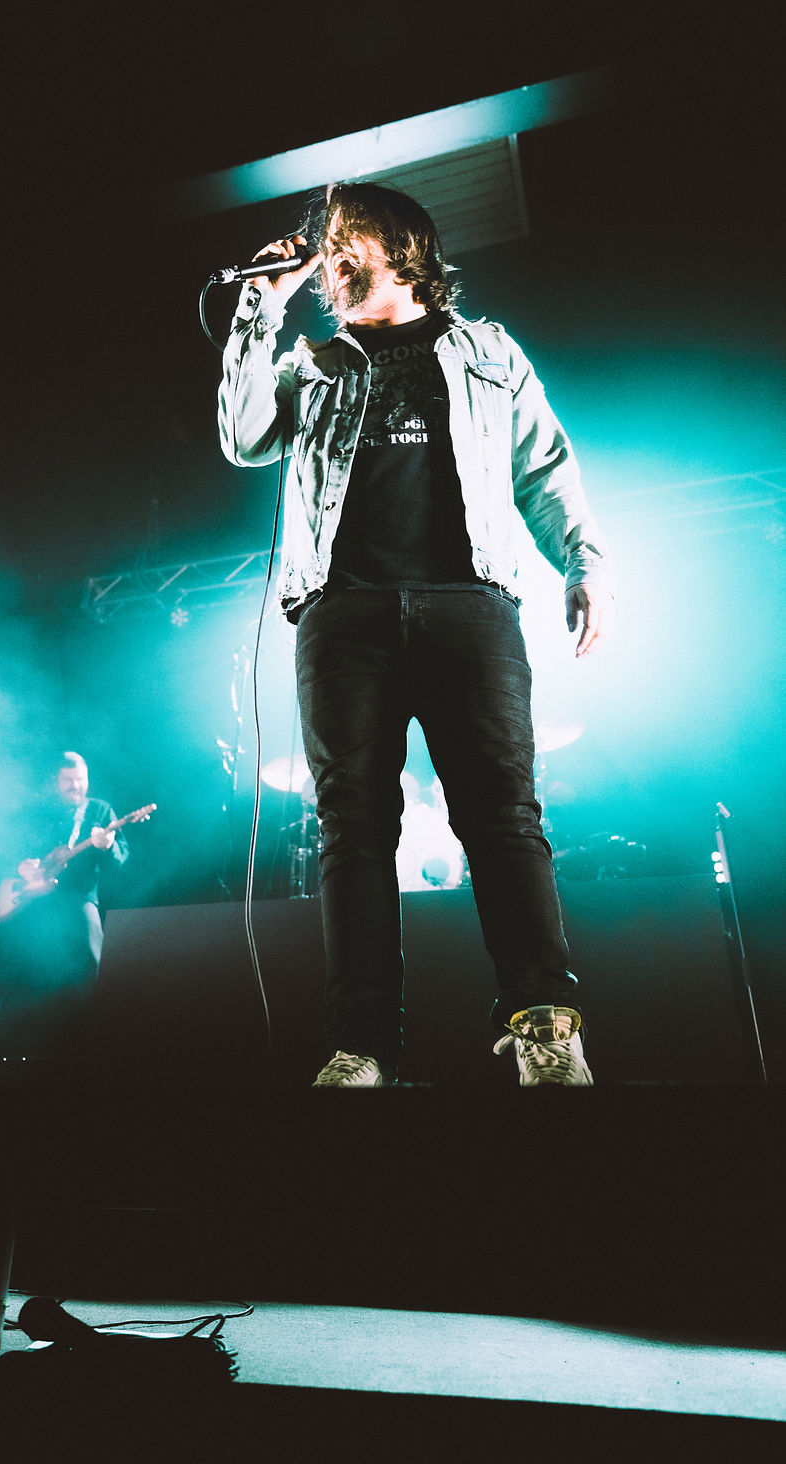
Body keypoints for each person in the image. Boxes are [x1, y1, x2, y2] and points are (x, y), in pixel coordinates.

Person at [218, 181, 615, 1087]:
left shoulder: (488, 351)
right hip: (340, 614)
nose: (328, 256)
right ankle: (360, 1045)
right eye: (324, 243)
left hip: (469, 602)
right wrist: (259, 310)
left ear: (403, 248)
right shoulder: (312, 363)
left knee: (503, 817)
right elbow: (243, 438)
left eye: (344, 237)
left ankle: (544, 1025)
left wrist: (585, 562)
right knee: (352, 831)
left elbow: (544, 466)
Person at [0, 750, 129, 1054]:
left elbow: (121, 861)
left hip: (80, 898)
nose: (75, 786)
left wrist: (108, 846)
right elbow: (10, 848)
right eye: (68, 780)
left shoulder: (101, 810)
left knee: (92, 959)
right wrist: (22, 866)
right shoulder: (39, 811)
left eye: (80, 779)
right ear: (56, 781)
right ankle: (3, 1047)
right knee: (18, 966)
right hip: (36, 900)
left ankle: (98, 1044)